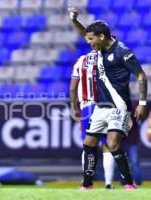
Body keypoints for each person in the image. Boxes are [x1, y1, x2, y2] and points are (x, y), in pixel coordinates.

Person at [68, 6, 148, 189]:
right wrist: (74, 20)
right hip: (101, 106)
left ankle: (129, 183)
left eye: (92, 40)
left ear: (102, 37)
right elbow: (86, 34)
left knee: (112, 143)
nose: (89, 43)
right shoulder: (100, 48)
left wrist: (142, 103)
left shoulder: (122, 51)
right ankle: (87, 184)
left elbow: (141, 76)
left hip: (119, 106)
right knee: (89, 142)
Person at [70, 51, 115, 189]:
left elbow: (73, 88)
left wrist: (73, 106)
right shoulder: (111, 58)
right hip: (108, 105)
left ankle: (86, 182)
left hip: (88, 107)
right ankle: (108, 183)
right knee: (107, 146)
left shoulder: (82, 60)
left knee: (88, 146)